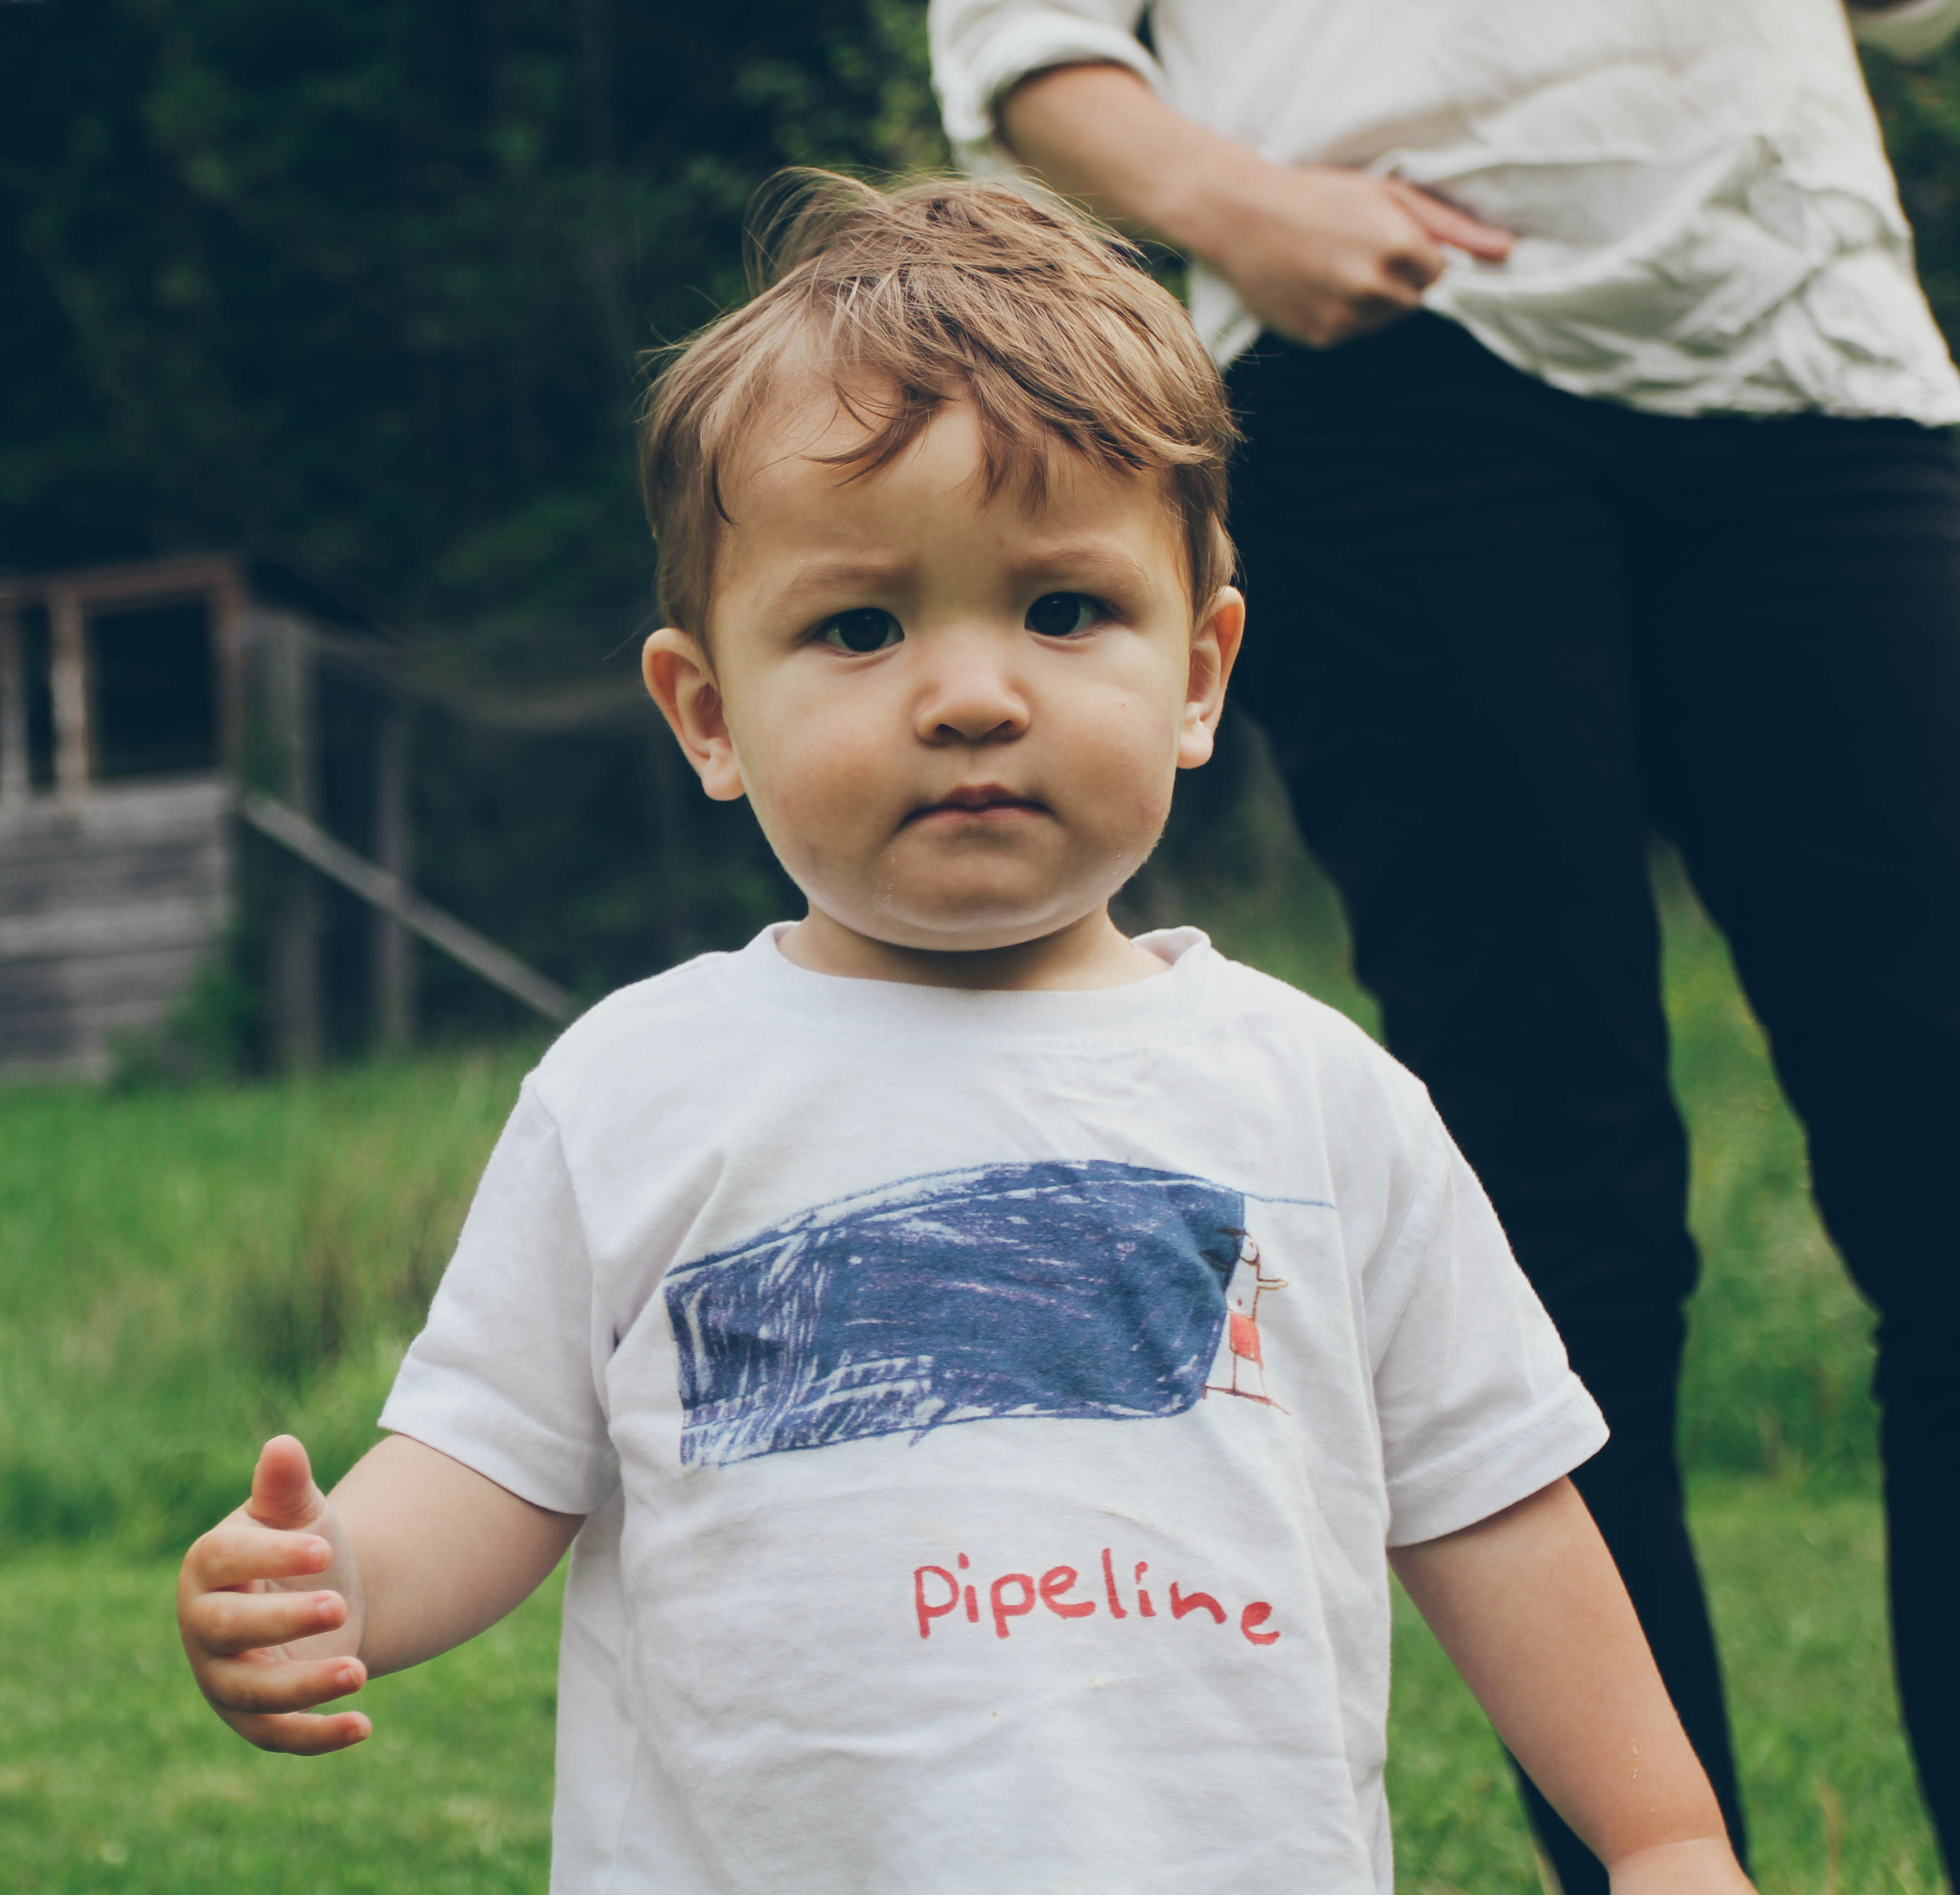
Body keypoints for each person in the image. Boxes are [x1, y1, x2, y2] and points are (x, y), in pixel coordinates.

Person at [177, 173, 1755, 1895]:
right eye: (858, 628)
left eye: (1065, 611)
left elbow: (1494, 1496)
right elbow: (489, 1464)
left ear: (1200, 672)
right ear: (708, 712)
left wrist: (1662, 1834)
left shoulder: (1316, 1099)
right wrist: (336, 1576)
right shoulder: (634, 1091)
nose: (975, 696)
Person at [926, 2, 1960, 1887]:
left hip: (1812, 352)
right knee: (1560, 1219)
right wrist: (1238, 209)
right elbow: (1020, 38)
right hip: (1405, 376)